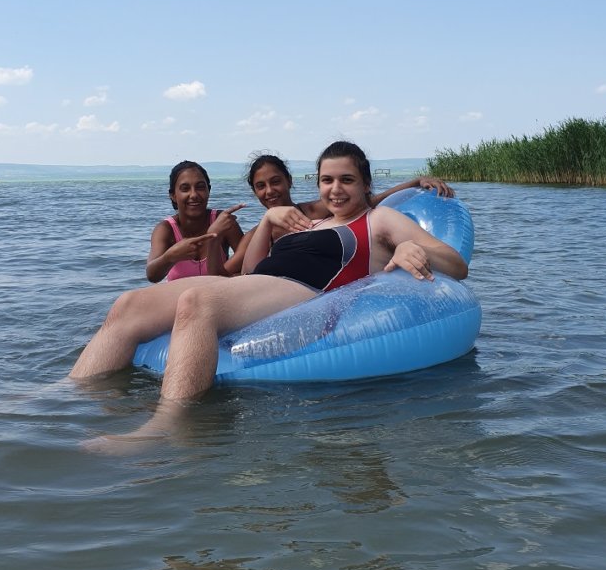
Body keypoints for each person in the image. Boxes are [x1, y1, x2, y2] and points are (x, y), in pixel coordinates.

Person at [72, 141, 468, 450]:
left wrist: (408, 247)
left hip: (306, 292)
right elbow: (250, 269)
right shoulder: (312, 221)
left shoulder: (378, 219)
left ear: (365, 184)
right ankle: (66, 395)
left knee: (197, 303)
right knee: (130, 303)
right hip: (260, 283)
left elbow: (456, 264)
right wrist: (266, 221)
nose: (335, 189)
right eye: (327, 180)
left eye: (347, 180)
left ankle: (166, 427)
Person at [224, 153, 455, 274]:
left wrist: (414, 183)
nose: (269, 191)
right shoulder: (257, 235)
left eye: (275, 182)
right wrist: (214, 239)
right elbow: (230, 272)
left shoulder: (315, 211)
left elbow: (369, 202)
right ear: (254, 191)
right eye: (261, 186)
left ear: (289, 181)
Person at [145, 161, 244, 282]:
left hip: (217, 293)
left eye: (200, 187)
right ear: (173, 195)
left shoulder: (222, 222)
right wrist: (170, 256)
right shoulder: (166, 229)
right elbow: (152, 275)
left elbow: (247, 264)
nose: (194, 195)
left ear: (208, 191)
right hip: (178, 294)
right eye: (185, 189)